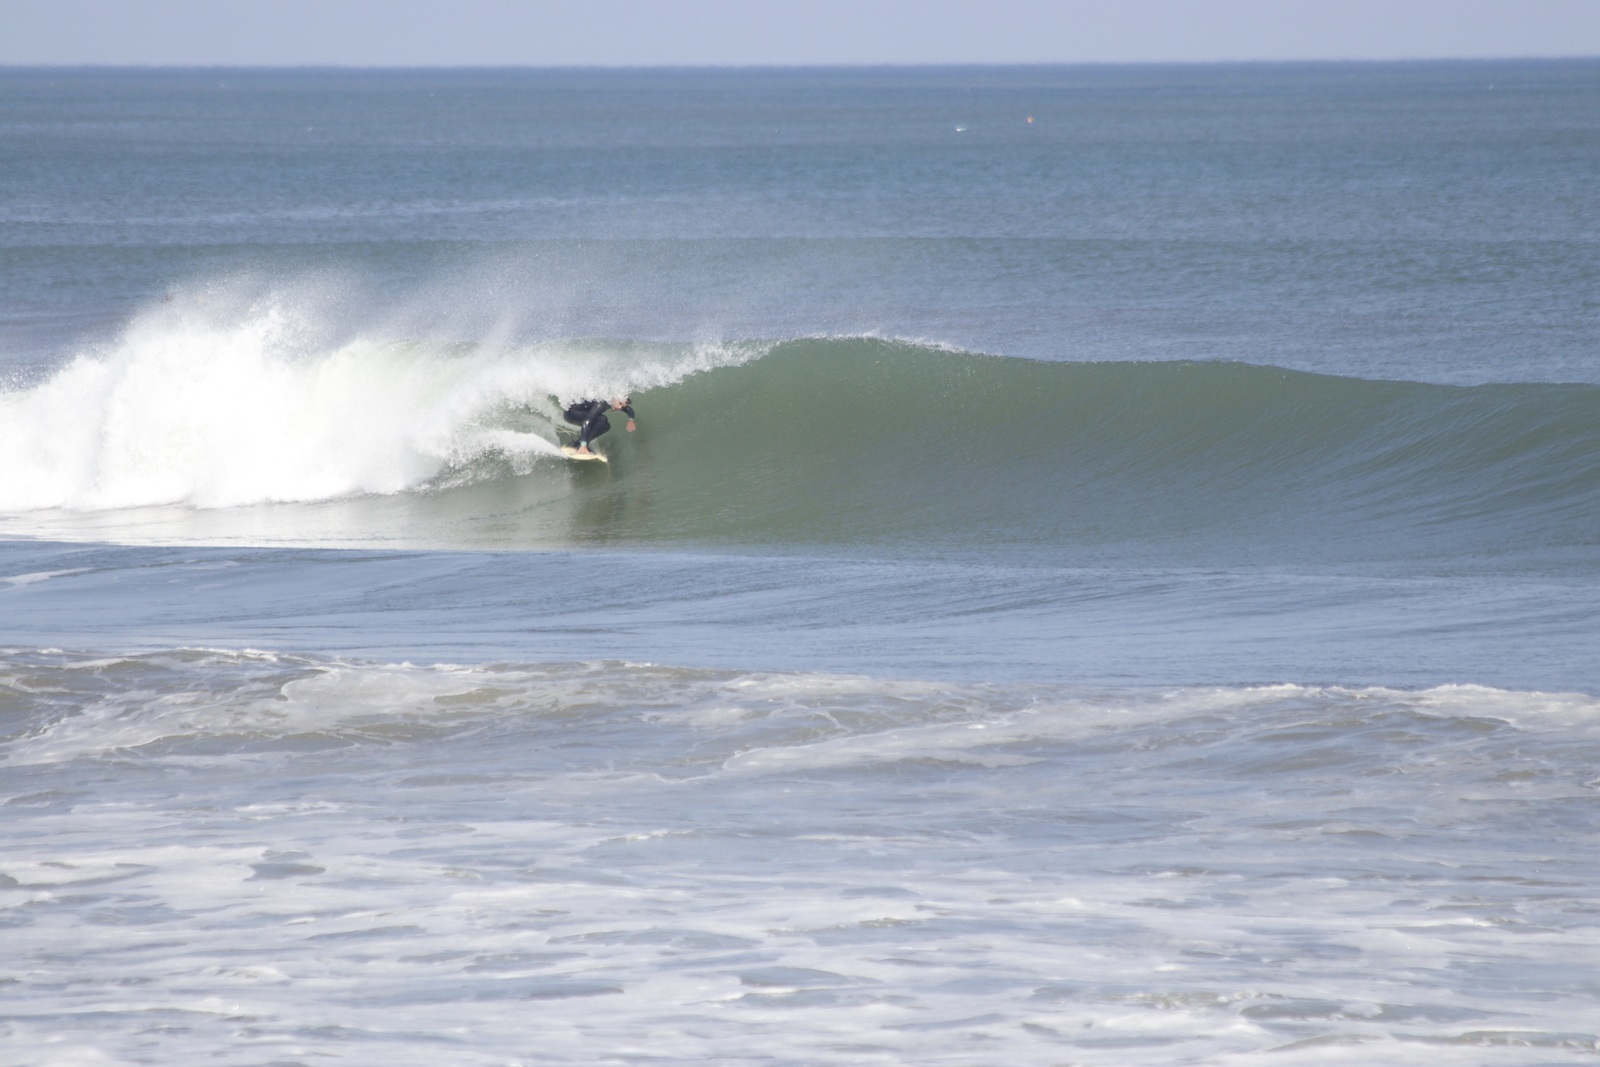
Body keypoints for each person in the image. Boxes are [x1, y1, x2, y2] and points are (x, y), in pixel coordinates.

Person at [562, 396, 635, 454]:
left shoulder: (614, 401)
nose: (619, 407)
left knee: (606, 426)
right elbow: (586, 422)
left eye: (622, 406)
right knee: (602, 419)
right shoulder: (602, 404)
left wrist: (630, 420)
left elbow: (629, 410)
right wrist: (583, 445)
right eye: (620, 404)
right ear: (616, 398)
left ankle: (576, 444)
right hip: (571, 413)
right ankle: (582, 446)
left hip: (580, 413)